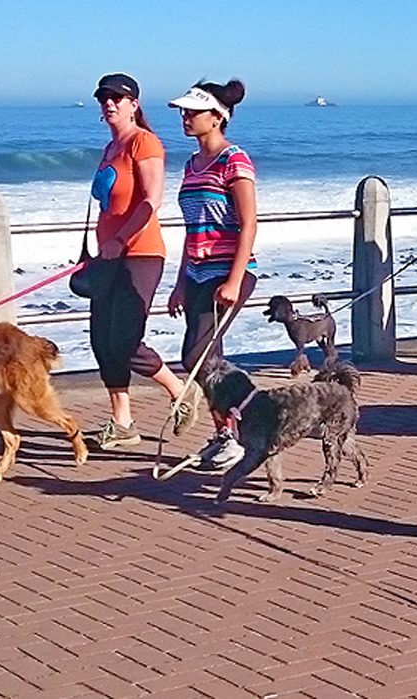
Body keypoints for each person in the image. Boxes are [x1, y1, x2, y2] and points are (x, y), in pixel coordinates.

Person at [87, 73, 192, 451]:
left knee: (125, 340)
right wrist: (101, 246)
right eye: (103, 97)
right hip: (108, 256)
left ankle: (180, 391)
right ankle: (123, 422)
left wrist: (120, 240)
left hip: (141, 253)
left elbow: (151, 200)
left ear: (134, 104)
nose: (109, 103)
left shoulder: (143, 142)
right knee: (102, 339)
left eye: (117, 97)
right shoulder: (110, 148)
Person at [167, 79, 258, 469]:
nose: (185, 117)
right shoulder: (191, 165)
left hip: (228, 272)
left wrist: (234, 280)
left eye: (193, 112)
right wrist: (179, 283)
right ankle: (228, 436)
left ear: (217, 117)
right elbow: (192, 230)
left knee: (196, 358)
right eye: (183, 112)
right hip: (197, 273)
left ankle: (242, 425)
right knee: (209, 358)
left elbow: (249, 224)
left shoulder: (233, 160)